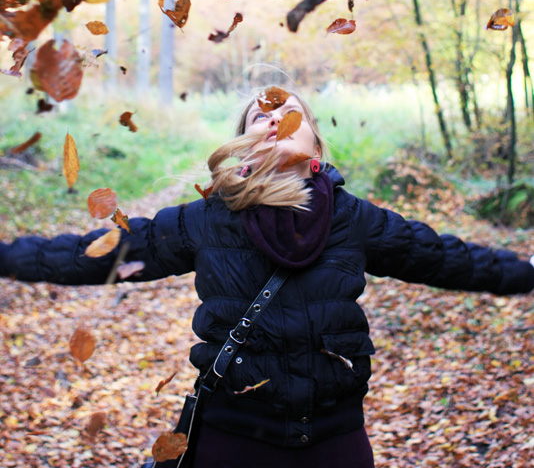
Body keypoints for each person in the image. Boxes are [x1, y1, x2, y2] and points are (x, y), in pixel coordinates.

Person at [1, 86, 533, 468]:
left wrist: (526, 273)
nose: (274, 119)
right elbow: (95, 255)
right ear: (243, 148)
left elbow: (443, 257)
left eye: (290, 113)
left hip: (336, 439)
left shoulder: (353, 219)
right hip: (231, 438)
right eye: (260, 116)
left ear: (317, 149)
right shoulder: (204, 220)